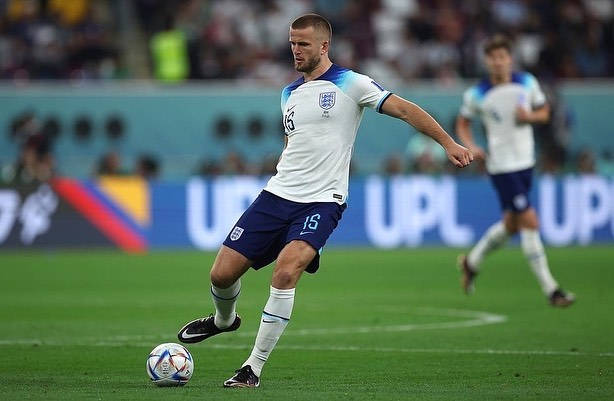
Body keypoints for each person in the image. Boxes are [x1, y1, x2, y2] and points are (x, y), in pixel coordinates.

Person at [177, 13, 473, 388]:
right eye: (292, 43)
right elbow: (293, 143)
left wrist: (448, 143)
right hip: (277, 194)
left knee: (285, 273)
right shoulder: (288, 93)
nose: (296, 50)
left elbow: (404, 109)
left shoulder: (352, 83)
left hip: (323, 201)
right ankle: (224, 321)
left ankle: (252, 367)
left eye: (303, 44)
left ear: (323, 46)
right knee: (220, 274)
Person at [455, 34, 574, 307]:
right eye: (493, 58)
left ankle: (471, 263)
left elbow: (544, 112)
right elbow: (463, 123)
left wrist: (529, 117)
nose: (498, 62)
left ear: (510, 59)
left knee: (511, 224)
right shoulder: (477, 94)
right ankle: (552, 290)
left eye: (502, 57)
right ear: (487, 61)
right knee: (530, 221)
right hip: (502, 166)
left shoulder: (527, 82)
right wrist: (472, 146)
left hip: (525, 162)